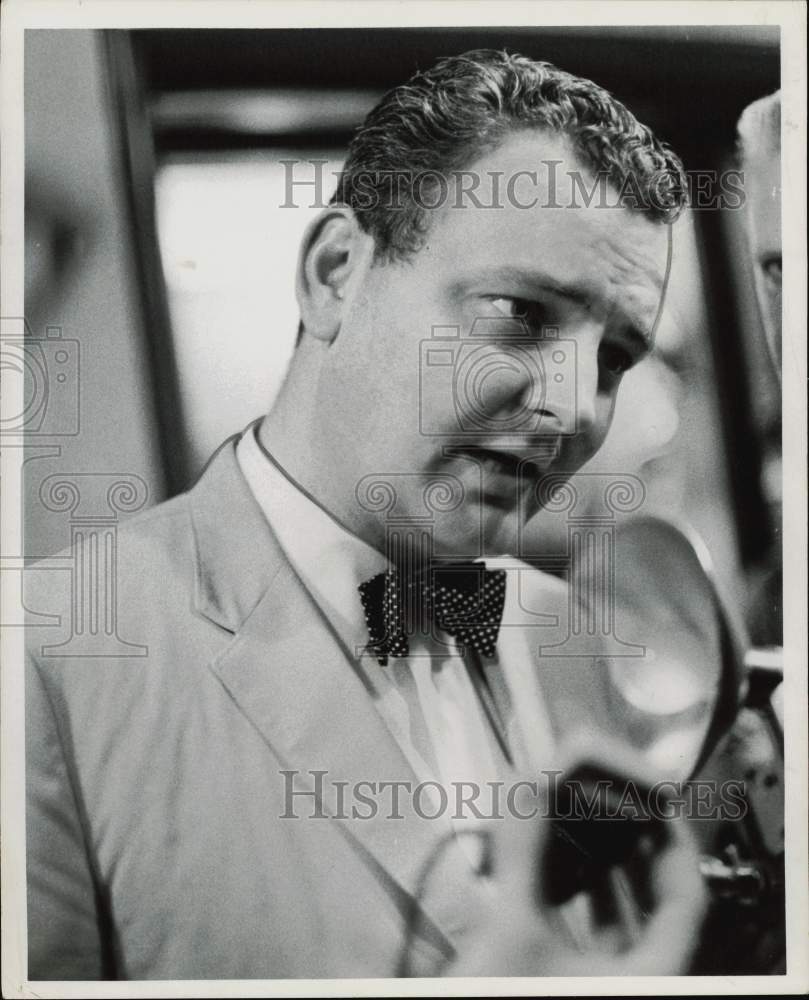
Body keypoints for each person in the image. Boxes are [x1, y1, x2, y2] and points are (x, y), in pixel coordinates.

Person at [25, 50, 707, 980]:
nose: (577, 408)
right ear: (336, 272)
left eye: (615, 358)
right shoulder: (45, 658)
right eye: (520, 312)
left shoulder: (572, 634)